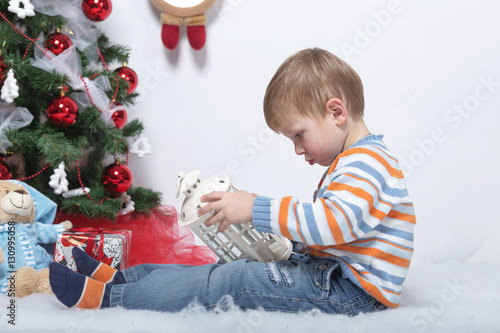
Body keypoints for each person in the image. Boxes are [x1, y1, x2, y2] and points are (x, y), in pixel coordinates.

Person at [49, 48, 415, 315]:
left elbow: (332, 224)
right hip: (332, 276)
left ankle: (110, 299)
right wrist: (288, 245)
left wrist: (254, 208)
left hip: (351, 294)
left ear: (336, 112)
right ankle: (118, 279)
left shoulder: (366, 164)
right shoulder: (357, 161)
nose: (297, 149)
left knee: (235, 281)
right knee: (221, 271)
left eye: (298, 135)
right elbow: (337, 232)